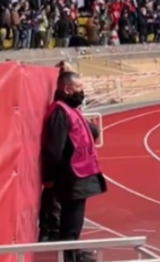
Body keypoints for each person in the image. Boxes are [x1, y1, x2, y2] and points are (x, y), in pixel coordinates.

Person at [41, 69, 107, 262]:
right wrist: (50, 178)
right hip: (71, 175)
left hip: (81, 173)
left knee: (74, 219)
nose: (82, 91)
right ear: (68, 89)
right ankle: (70, 256)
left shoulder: (71, 109)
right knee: (71, 219)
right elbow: (55, 149)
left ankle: (73, 251)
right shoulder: (60, 112)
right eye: (79, 87)